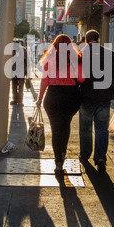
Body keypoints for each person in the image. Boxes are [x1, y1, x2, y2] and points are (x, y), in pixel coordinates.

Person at [36, 34, 84, 175]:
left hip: (53, 97)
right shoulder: (75, 59)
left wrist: (39, 98)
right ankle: (62, 155)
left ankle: (58, 161)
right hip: (71, 97)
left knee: (56, 129)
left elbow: (44, 80)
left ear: (55, 45)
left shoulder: (49, 59)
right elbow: (81, 79)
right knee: (65, 126)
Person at [79, 29, 114, 173]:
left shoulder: (81, 53)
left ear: (86, 41)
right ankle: (101, 157)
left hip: (85, 98)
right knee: (101, 128)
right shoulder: (110, 54)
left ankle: (85, 155)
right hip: (104, 98)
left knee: (85, 128)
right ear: (99, 40)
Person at [10, 41, 28, 106]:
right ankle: (16, 100)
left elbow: (27, 61)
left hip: (21, 71)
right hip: (15, 71)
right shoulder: (13, 51)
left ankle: (19, 100)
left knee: (19, 86)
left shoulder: (23, 50)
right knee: (15, 86)